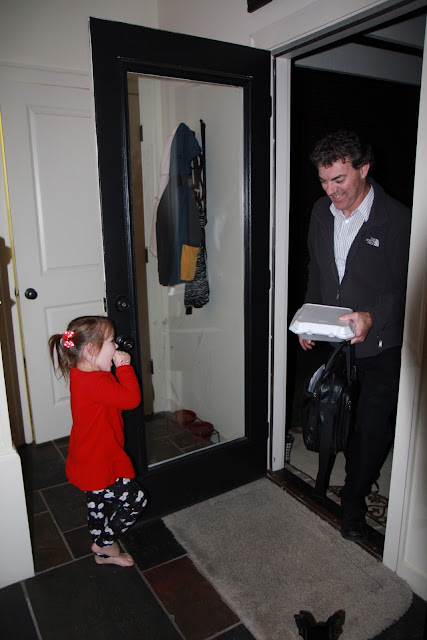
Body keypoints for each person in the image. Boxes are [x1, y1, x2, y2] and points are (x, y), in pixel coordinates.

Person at [299, 130, 411, 541]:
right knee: (335, 416)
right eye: (323, 181)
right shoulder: (320, 211)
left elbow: (407, 287)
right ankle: (329, 477)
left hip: (381, 346)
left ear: (364, 169)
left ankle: (353, 503)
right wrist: (310, 317)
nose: (331, 191)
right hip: (337, 344)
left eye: (339, 180)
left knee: (372, 428)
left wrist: (372, 317)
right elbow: (317, 268)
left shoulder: (398, 219)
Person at [49, 316, 148, 566]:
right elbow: (131, 399)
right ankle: (105, 543)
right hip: (100, 460)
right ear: (92, 350)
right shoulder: (97, 382)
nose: (116, 346)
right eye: (111, 341)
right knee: (136, 500)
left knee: (98, 504)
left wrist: (110, 367)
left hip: (86, 455)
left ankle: (102, 555)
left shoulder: (81, 373)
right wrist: (124, 367)